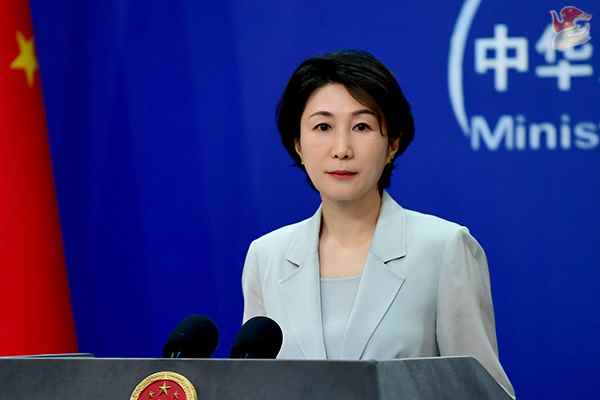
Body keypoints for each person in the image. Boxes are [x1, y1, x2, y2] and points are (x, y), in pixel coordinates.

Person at [241, 50, 515, 398]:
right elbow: (253, 385)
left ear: (392, 144)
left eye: (362, 127)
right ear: (298, 143)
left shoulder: (444, 247)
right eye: (323, 127)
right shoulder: (267, 256)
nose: (342, 149)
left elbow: (484, 392)